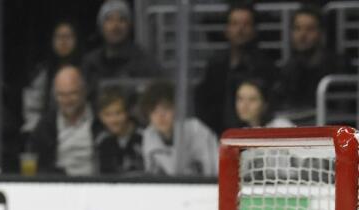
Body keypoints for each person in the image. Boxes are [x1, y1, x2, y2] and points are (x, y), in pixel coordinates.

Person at [193, 1, 278, 135]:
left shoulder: (266, 66)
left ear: (254, 30)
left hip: (255, 135)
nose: (240, 29)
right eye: (234, 24)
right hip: (216, 137)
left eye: (246, 24)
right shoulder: (215, 65)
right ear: (226, 30)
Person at [274, 3, 344, 123]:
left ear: (321, 33)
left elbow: (343, 111)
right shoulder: (288, 68)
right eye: (297, 28)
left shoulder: (338, 65)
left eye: (310, 29)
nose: (302, 35)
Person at [80, 0, 163, 98]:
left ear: (129, 25)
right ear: (101, 26)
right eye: (109, 20)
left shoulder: (146, 63)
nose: (115, 26)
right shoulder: (90, 64)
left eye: (122, 19)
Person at [27, 64, 98, 176]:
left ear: (84, 91)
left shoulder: (101, 119)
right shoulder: (46, 125)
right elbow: (38, 164)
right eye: (61, 95)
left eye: (72, 94)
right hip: (60, 186)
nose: (67, 100)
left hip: (99, 186)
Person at [142, 79, 218, 177]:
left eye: (166, 108)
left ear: (177, 109)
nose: (160, 116)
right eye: (154, 111)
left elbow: (215, 170)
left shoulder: (197, 130)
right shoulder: (149, 136)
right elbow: (151, 177)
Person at [21, 20, 81, 135]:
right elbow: (33, 109)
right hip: (49, 132)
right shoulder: (42, 72)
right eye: (59, 37)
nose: (63, 41)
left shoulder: (86, 69)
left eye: (68, 36)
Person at [94, 86, 144, 175]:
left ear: (127, 112)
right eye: (107, 114)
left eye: (118, 113)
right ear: (100, 117)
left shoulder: (144, 136)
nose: (114, 120)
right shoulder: (101, 141)